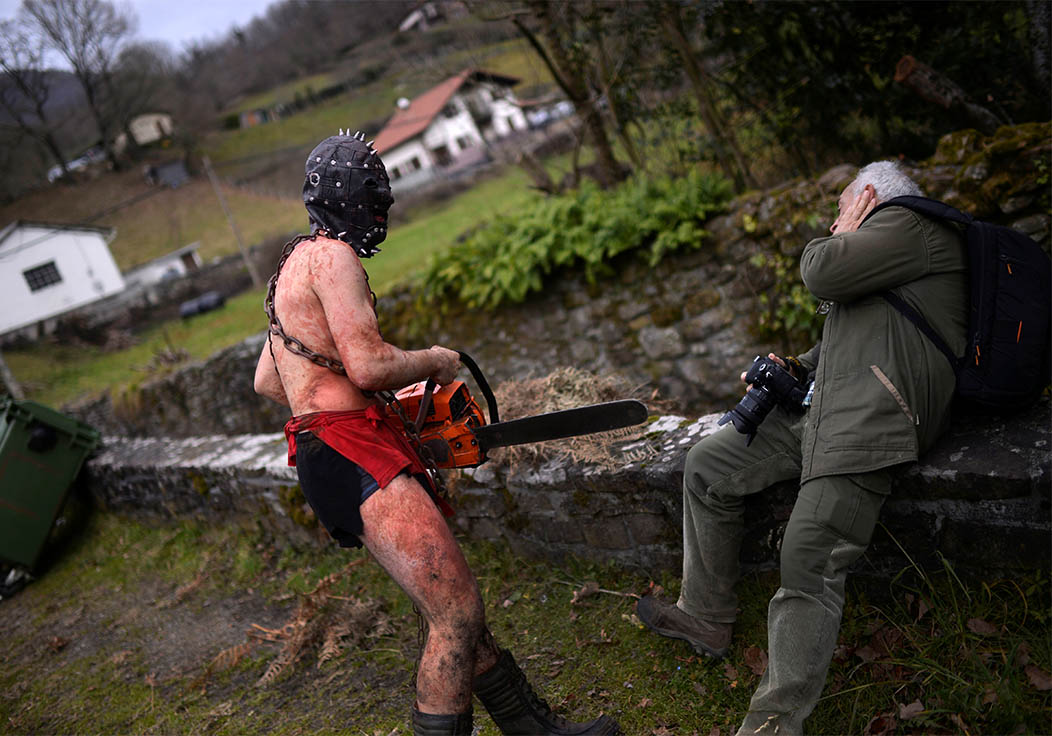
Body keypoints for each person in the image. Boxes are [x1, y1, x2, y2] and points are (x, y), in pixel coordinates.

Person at [254, 132, 621, 736]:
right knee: (455, 612)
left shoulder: (291, 267)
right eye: (377, 200)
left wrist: (343, 392)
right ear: (358, 198)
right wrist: (432, 359)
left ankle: (538, 731)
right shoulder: (334, 258)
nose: (381, 213)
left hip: (328, 453)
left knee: (448, 606)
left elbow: (271, 379)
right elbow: (369, 365)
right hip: (353, 450)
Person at [635, 161, 967, 735]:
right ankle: (705, 615)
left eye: (840, 207)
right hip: (831, 410)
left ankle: (772, 723)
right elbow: (849, 340)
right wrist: (796, 367)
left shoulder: (909, 227)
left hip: (872, 420)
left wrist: (841, 235)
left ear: (866, 196)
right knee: (708, 463)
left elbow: (819, 271)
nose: (837, 219)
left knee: (809, 555)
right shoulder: (894, 253)